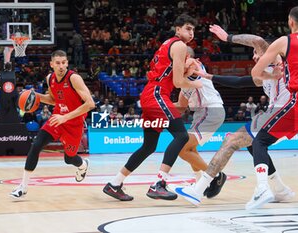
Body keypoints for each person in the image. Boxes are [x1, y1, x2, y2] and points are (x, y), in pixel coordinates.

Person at [170, 24, 295, 208]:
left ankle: (198, 190)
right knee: (255, 146)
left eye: (255, 53)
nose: (253, 56)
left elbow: (258, 41)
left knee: (230, 141)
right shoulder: (267, 73)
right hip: (282, 114)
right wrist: (208, 76)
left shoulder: (275, 59)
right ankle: (281, 190)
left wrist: (228, 37)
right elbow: (239, 82)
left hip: (282, 111)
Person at [103, 15, 202, 201]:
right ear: (178, 29)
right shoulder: (180, 45)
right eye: (188, 28)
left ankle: (115, 183)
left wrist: (188, 69)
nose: (191, 33)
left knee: (149, 146)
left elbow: (175, 73)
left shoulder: (168, 44)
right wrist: (197, 83)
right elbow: (178, 82)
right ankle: (159, 183)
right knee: (181, 136)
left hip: (150, 94)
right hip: (157, 94)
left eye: (193, 30)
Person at [10, 50, 95, 199]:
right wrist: (37, 96)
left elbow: (90, 104)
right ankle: (22, 187)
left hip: (74, 123)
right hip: (57, 119)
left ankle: (82, 165)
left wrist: (66, 117)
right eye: (58, 63)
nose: (61, 66)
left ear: (67, 63)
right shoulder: (50, 79)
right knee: (36, 145)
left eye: (63, 63)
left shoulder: (74, 79)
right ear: (51, 64)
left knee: (69, 158)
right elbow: (54, 100)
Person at [248, 6, 298, 210]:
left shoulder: (284, 42)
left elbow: (256, 71)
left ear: (291, 22)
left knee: (259, 141)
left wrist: (272, 76)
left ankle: (262, 188)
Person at [176, 46, 227, 199]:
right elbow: (181, 107)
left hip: (209, 110)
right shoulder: (183, 79)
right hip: (203, 113)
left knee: (182, 149)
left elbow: (186, 65)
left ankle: (216, 176)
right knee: (190, 149)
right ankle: (200, 183)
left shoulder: (193, 65)